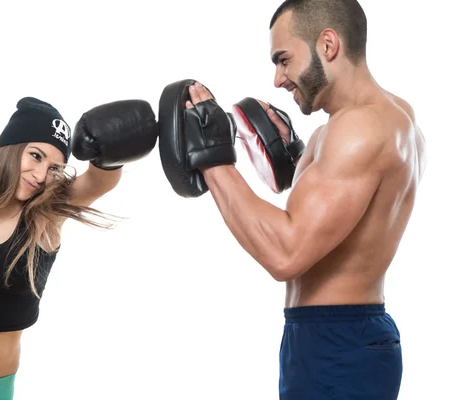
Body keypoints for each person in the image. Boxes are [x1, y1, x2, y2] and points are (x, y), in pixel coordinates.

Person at [158, 0, 427, 398]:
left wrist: (213, 159)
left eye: (284, 60)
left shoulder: (360, 129)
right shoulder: (377, 120)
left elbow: (287, 253)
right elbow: (347, 215)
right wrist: (297, 164)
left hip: (338, 341)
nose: (278, 79)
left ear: (328, 45)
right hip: (328, 335)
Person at [0, 96, 158, 399]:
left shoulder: (46, 217)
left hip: (0, 387)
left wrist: (112, 145)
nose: (40, 176)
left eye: (54, 168)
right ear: (11, 148)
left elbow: (97, 182)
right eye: (35, 156)